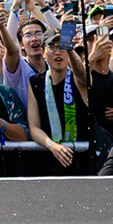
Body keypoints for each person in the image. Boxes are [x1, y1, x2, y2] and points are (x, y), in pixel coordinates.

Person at [25, 30, 89, 169]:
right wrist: (52, 145)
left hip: (83, 158)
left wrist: (70, 49)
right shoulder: (36, 82)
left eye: (62, 47)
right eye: (52, 47)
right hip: (51, 156)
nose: (58, 52)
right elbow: (34, 127)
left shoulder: (77, 79)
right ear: (43, 52)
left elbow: (84, 77)